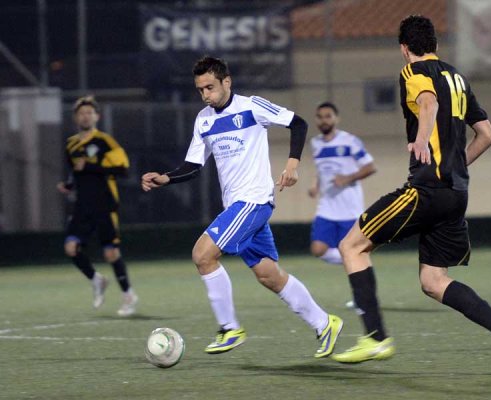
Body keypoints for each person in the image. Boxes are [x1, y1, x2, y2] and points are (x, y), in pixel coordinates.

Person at [331, 15, 491, 376]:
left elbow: (427, 102)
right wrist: (456, 164)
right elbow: (487, 134)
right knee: (433, 282)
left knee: (351, 246)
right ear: (435, 44)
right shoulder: (457, 77)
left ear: (404, 48)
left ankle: (375, 337)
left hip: (427, 189)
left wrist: (422, 139)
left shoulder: (412, 71)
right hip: (456, 192)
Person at [141, 56, 343, 358]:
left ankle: (229, 328)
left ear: (227, 82)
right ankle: (325, 323)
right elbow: (193, 165)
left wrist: (292, 164)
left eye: (210, 87)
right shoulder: (204, 120)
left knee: (202, 255)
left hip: (254, 201)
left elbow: (298, 124)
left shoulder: (252, 106)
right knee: (269, 275)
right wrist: (165, 178)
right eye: (200, 89)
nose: (205, 94)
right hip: (236, 206)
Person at [57, 96, 138, 317]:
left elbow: (123, 169)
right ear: (76, 118)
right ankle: (97, 280)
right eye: (81, 113)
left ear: (97, 117)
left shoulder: (105, 141)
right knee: (71, 248)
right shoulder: (70, 144)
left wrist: (91, 165)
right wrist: (69, 185)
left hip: (104, 203)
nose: (85, 116)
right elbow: (75, 172)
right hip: (82, 206)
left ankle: (128, 295)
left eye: (89, 113)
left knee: (111, 253)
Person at [308, 102, 376, 308]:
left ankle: (362, 296)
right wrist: (316, 186)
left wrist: (347, 178)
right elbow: (321, 170)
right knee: (318, 248)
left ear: (336, 119)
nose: (324, 120)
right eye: (320, 117)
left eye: (328, 116)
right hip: (327, 207)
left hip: (350, 209)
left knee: (351, 253)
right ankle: (359, 261)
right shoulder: (315, 144)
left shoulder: (350, 141)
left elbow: (370, 167)